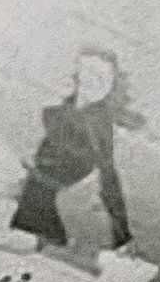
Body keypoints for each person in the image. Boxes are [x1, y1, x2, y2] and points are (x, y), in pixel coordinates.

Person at [11, 49, 143, 251]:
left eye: (103, 77)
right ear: (79, 74)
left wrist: (122, 235)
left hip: (38, 199)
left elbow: (108, 177)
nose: (94, 81)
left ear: (111, 84)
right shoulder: (70, 106)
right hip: (29, 190)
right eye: (88, 72)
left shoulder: (96, 123)